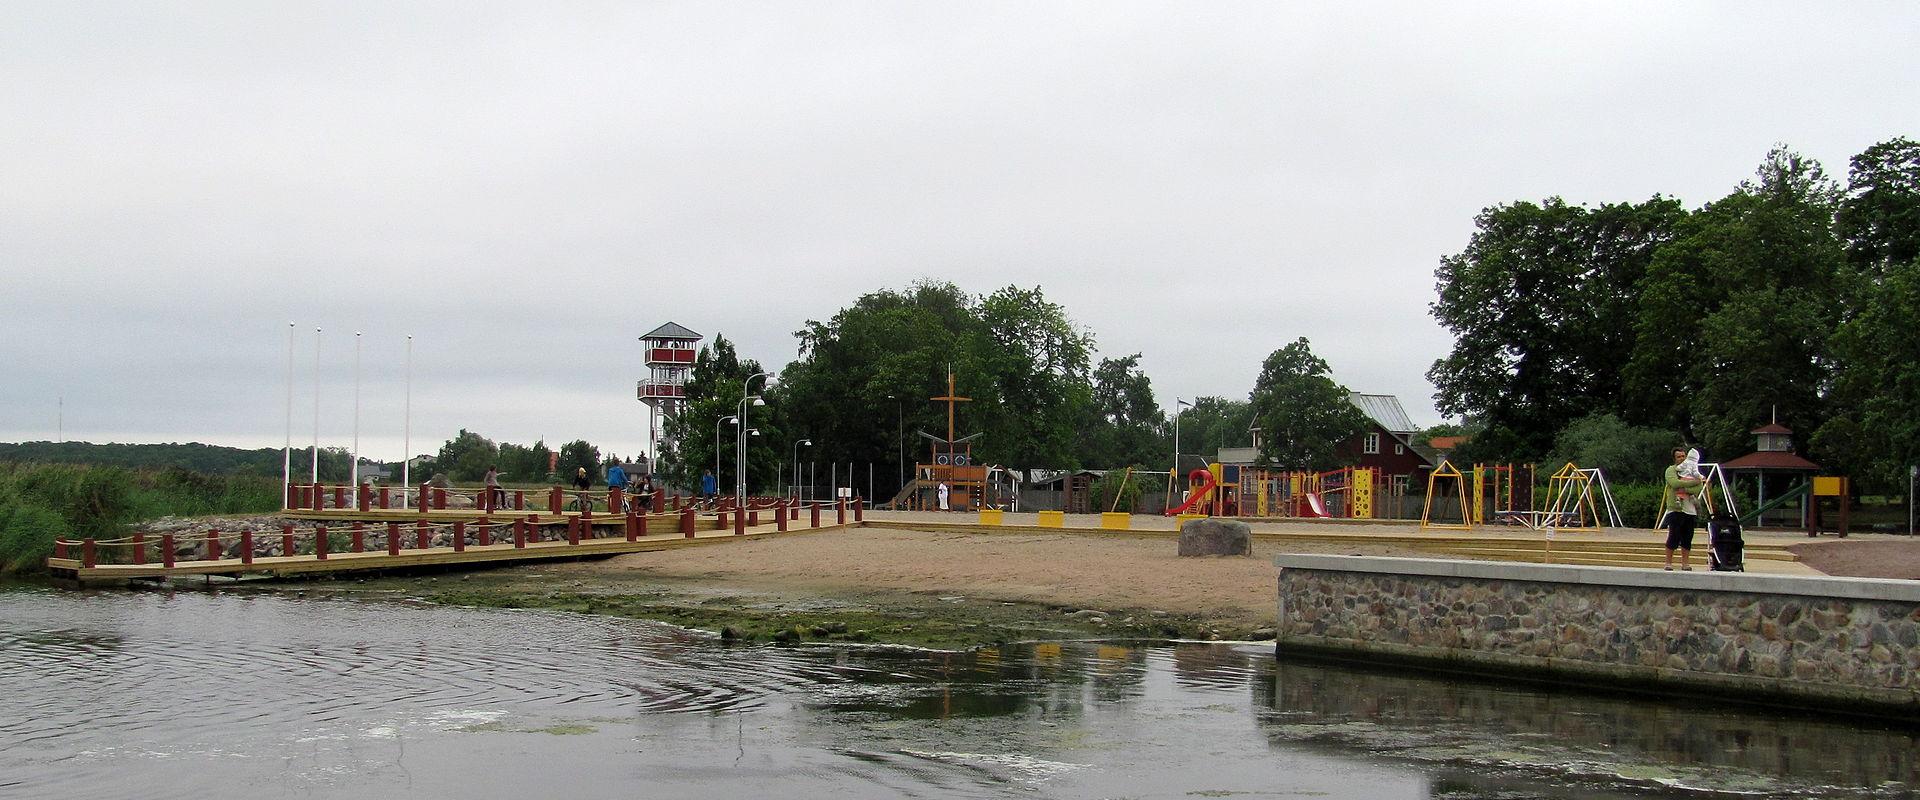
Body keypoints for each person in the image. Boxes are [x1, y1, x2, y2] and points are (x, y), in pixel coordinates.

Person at [1662, 447, 1707, 571]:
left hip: (1690, 508)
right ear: (1674, 458)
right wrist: (1693, 483)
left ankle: (1685, 563)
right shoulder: (1671, 470)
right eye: (1679, 457)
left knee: (1688, 536)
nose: (1682, 459)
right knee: (1674, 535)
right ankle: (1668, 562)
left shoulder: (1692, 469)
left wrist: (1686, 489)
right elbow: (1675, 484)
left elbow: (1699, 487)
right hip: (1676, 508)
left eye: (1683, 456)